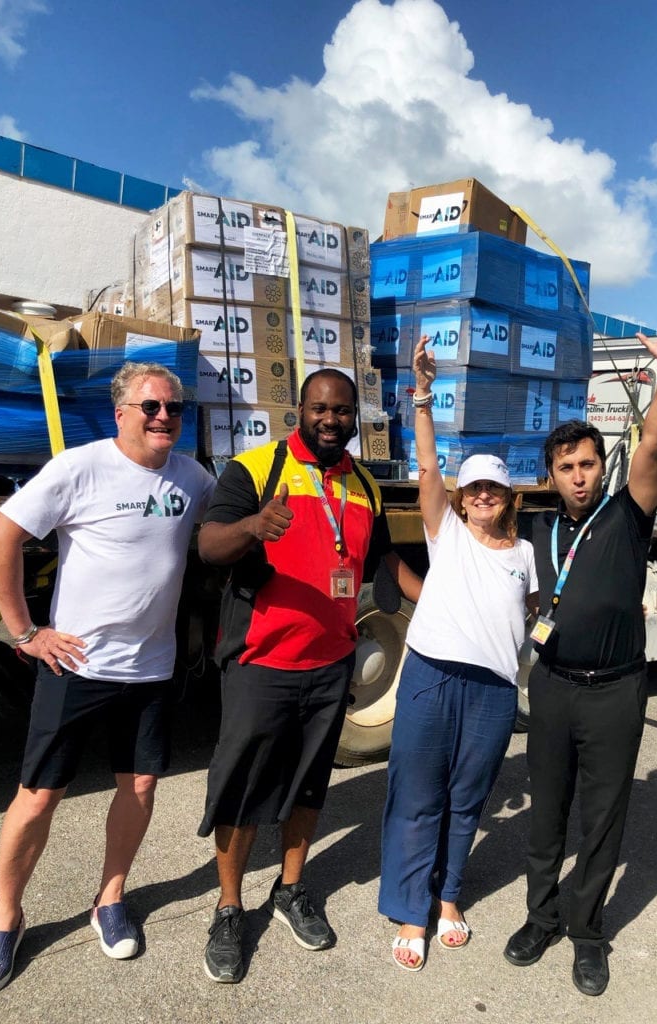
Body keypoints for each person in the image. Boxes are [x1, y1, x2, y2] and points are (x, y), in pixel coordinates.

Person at [0, 362, 216, 995]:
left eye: (173, 407)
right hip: (75, 665)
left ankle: (109, 898)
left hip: (151, 670)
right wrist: (26, 631)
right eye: (151, 407)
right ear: (122, 414)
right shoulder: (79, 468)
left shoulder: (191, 476)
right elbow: (0, 533)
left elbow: (223, 528)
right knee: (38, 796)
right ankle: (5, 916)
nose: (164, 416)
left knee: (140, 784)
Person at [197, 367, 420, 984]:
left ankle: (291, 889)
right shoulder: (256, 470)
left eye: (342, 411)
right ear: (299, 410)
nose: (330, 420)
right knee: (242, 789)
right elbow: (210, 545)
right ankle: (229, 907)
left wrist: (435, 605)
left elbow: (380, 564)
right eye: (319, 409)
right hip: (260, 664)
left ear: (355, 417)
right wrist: (250, 527)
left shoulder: (364, 486)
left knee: (309, 786)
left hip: (330, 665)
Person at [503, 330, 657, 997]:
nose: (580, 476)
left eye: (587, 463)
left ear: (598, 467)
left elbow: (652, 446)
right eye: (567, 468)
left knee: (603, 816)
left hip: (615, 692)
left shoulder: (627, 513)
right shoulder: (535, 527)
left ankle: (586, 934)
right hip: (553, 687)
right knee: (547, 812)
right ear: (551, 474)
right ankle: (540, 917)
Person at [378, 336, 538, 973]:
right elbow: (425, 468)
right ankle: (411, 908)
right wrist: (422, 395)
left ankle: (448, 897)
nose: (480, 496)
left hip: (495, 693)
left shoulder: (524, 556)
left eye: (491, 490)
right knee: (418, 795)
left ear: (507, 497)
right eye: (472, 488)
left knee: (467, 799)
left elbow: (529, 617)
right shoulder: (445, 531)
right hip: (431, 679)